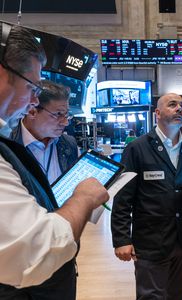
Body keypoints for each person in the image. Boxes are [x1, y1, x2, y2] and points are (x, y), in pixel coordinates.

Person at [0, 23, 109, 299]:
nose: (31, 101)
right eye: (31, 87)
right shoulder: (8, 143)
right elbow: (35, 250)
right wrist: (83, 198)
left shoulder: (67, 145)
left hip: (61, 266)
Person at [111, 93, 182, 300]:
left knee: (177, 295)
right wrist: (121, 239)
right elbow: (123, 197)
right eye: (172, 104)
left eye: (181, 106)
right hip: (151, 241)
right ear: (157, 113)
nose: (179, 108)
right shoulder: (137, 148)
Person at [10, 80, 78, 184]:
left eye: (66, 114)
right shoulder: (8, 145)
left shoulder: (69, 144)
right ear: (32, 111)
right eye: (58, 114)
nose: (65, 123)